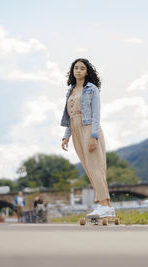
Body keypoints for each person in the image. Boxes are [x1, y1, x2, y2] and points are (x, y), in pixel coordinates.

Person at [60, 58, 115, 218]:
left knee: (96, 168)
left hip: (89, 128)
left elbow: (96, 114)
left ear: (87, 71)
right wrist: (66, 136)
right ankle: (106, 207)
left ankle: (104, 204)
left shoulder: (92, 89)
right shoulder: (70, 90)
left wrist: (94, 136)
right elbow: (69, 115)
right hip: (75, 129)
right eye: (75, 68)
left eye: (82, 68)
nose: (78, 70)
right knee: (90, 170)